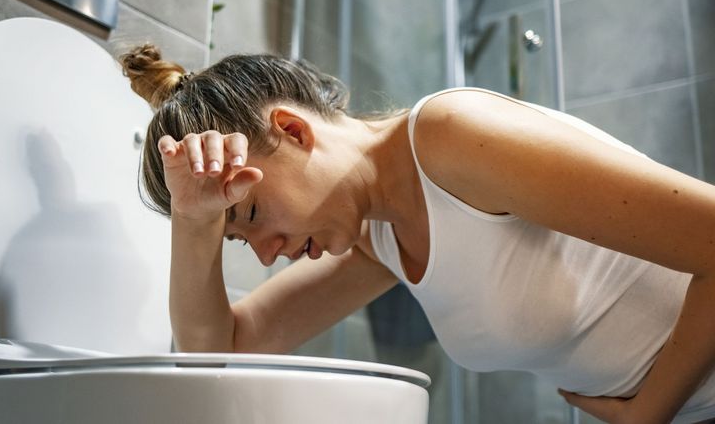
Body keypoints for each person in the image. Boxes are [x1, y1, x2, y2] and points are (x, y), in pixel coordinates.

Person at [118, 44, 715, 424]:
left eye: (251, 219)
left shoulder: (451, 137)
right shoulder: (379, 236)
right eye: (242, 241)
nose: (271, 254)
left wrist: (648, 417)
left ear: (292, 131)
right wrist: (195, 223)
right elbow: (218, 354)